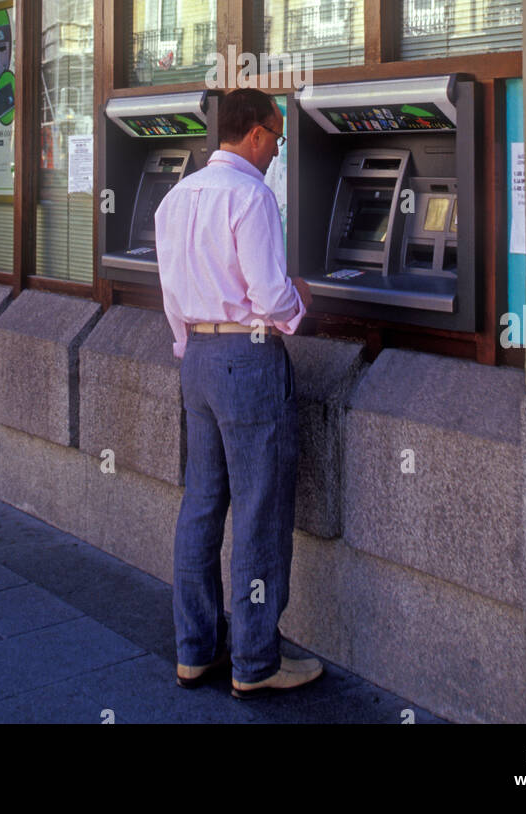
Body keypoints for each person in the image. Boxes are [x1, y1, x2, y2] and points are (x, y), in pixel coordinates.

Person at [154, 87, 325, 699]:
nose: (278, 149)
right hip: (246, 361)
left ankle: (194, 651)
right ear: (252, 133)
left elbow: (172, 297)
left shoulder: (175, 199)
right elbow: (272, 297)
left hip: (195, 355)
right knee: (259, 510)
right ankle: (255, 661)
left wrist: (190, 348)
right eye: (276, 136)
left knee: (201, 504)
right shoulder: (251, 195)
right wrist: (300, 298)